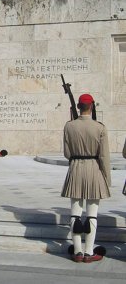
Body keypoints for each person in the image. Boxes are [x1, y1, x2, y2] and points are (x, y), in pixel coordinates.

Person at [61, 94, 111, 263]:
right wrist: (106, 179)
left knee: (75, 214)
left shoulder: (69, 126)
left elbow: (67, 154)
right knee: (92, 215)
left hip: (75, 169)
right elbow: (104, 157)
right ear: (92, 107)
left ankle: (77, 251)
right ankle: (89, 252)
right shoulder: (100, 127)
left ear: (78, 107)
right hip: (94, 170)